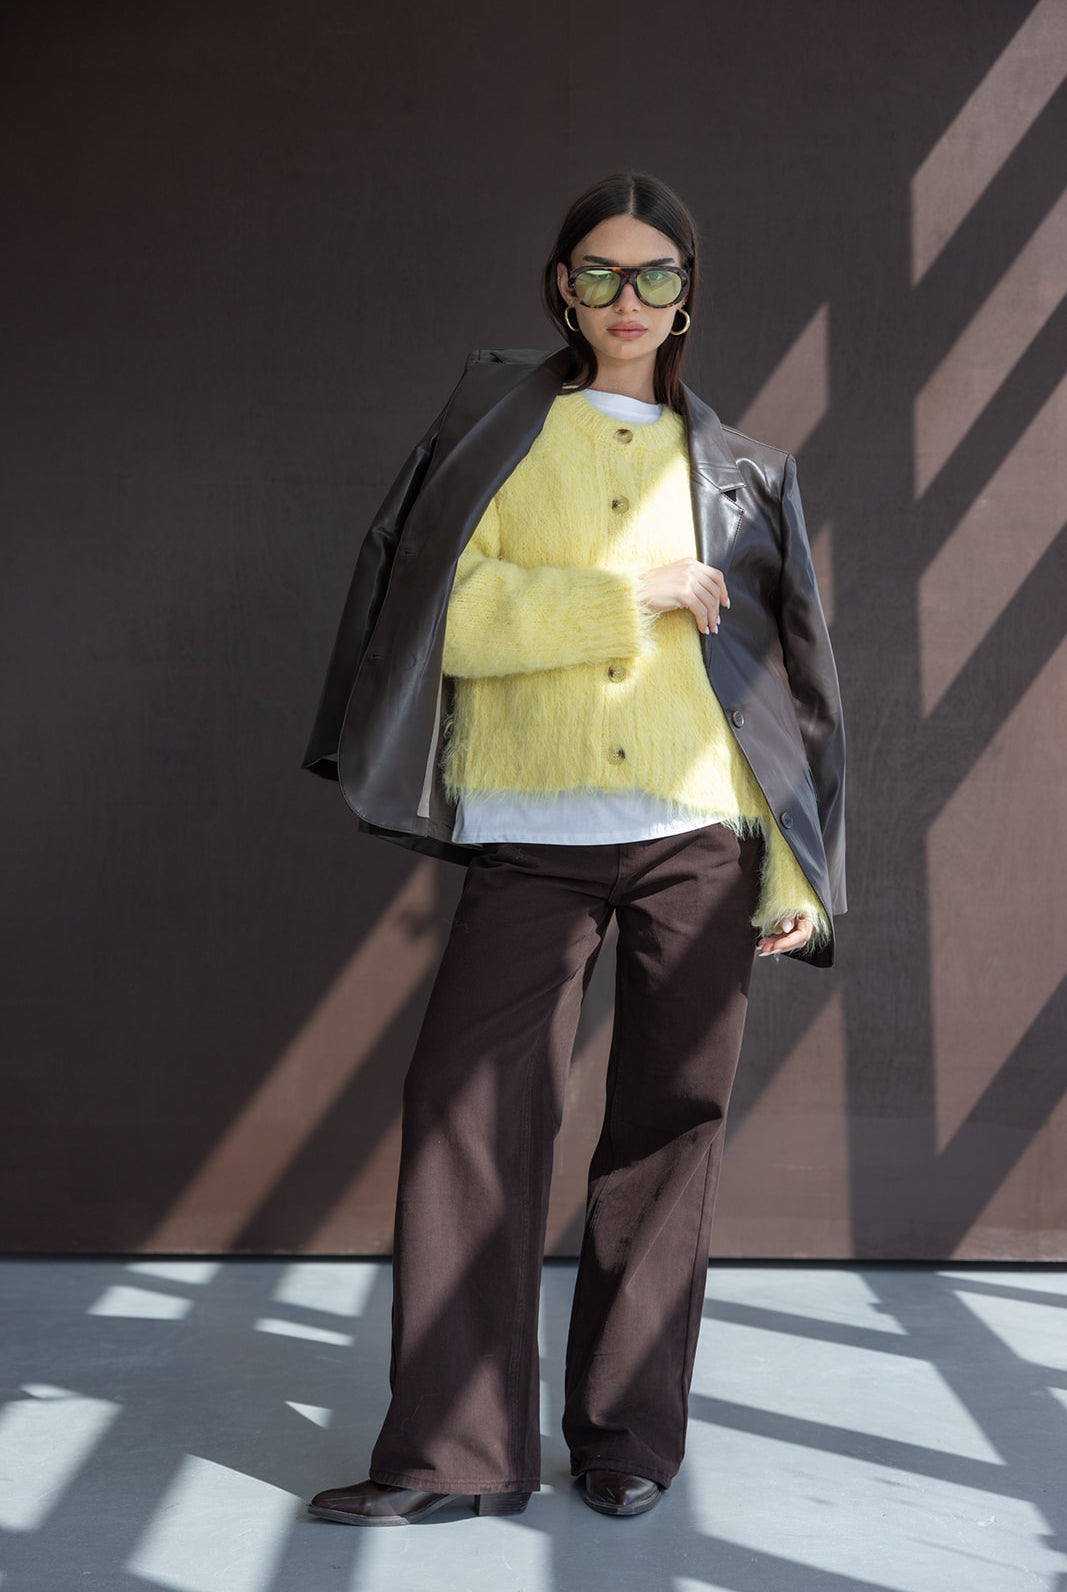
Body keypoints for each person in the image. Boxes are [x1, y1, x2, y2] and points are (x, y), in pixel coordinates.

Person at [302, 172, 845, 1525]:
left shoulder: (745, 472)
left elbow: (782, 690)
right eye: (600, 273)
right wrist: (628, 595)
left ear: (688, 295)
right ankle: (454, 1458)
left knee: (668, 1133)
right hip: (531, 839)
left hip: (699, 842)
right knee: (468, 1119)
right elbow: (444, 618)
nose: (627, 299)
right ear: (562, 287)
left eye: (656, 275)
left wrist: (796, 869)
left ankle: (628, 1442)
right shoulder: (493, 432)